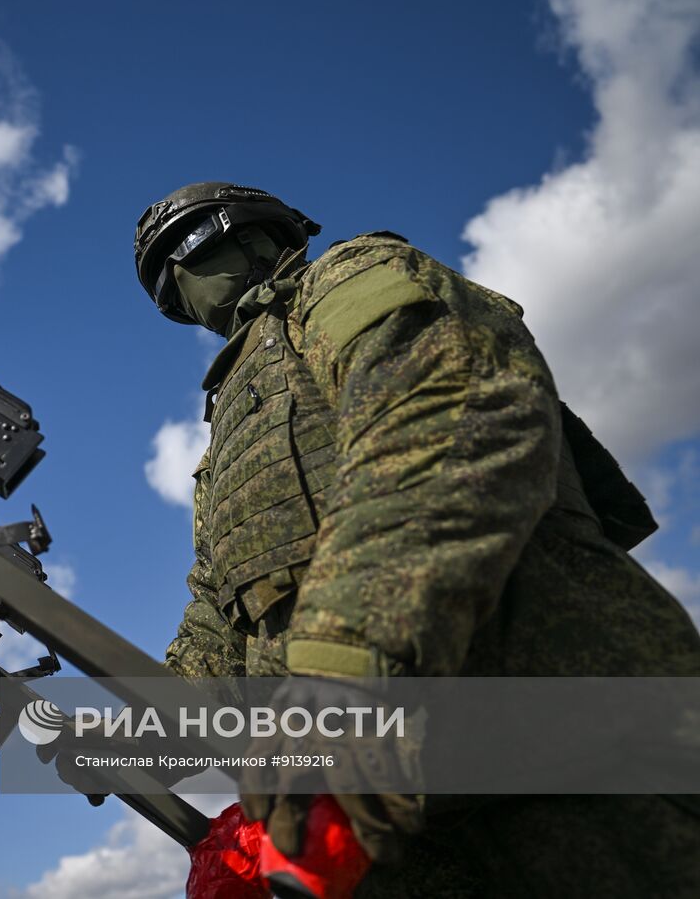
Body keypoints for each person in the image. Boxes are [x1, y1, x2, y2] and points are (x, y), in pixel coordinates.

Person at [134, 182, 700, 897]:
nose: (185, 282)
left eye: (189, 252)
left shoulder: (348, 279)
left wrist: (335, 692)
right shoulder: (223, 451)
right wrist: (128, 733)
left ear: (252, 236)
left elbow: (439, 425)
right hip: (407, 826)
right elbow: (225, 617)